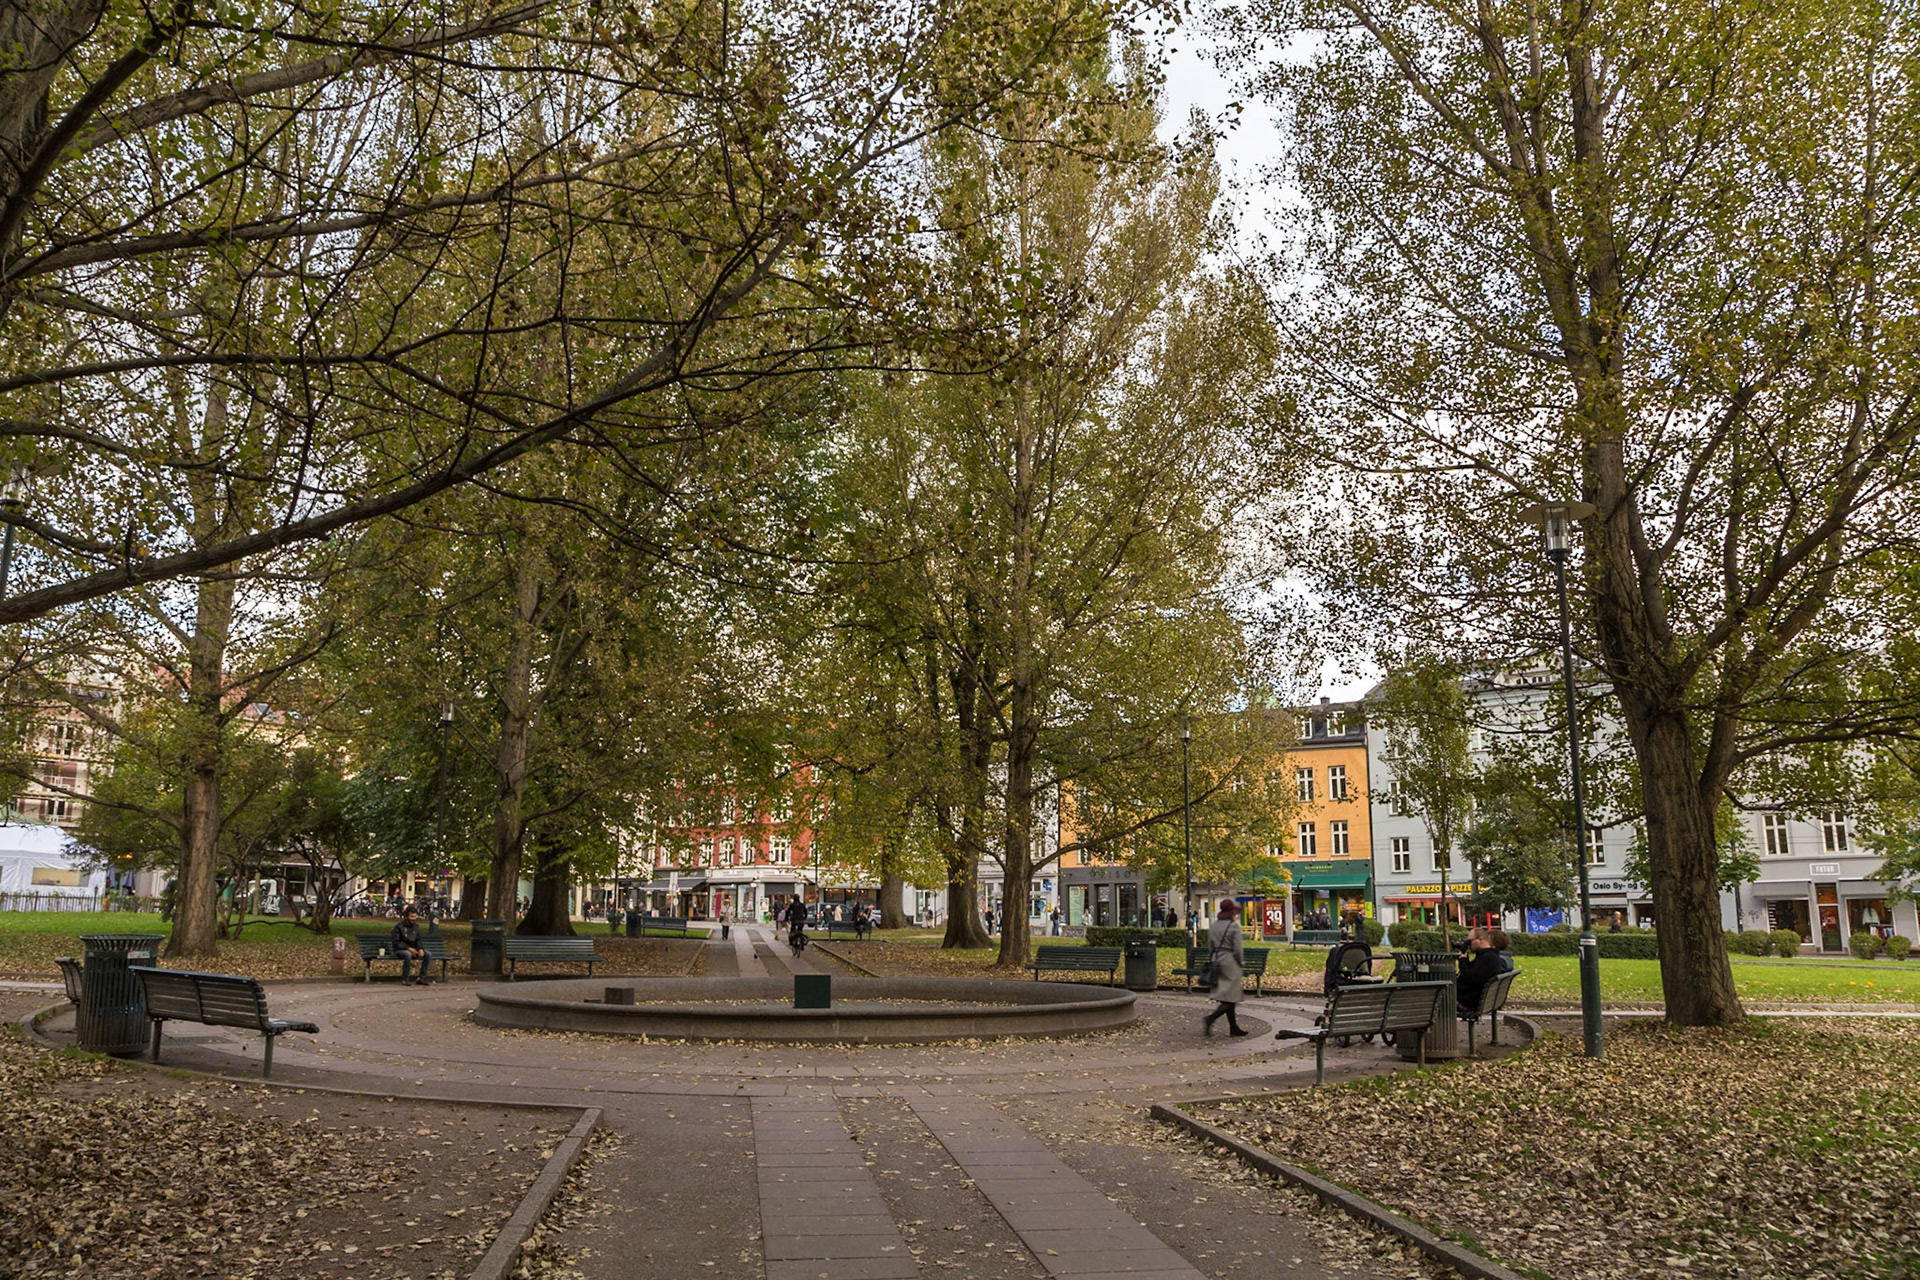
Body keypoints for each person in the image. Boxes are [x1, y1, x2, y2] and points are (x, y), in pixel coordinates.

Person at [1202, 901, 1248, 1037]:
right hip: (1230, 961)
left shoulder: (1214, 926)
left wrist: (1213, 958)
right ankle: (1210, 1018)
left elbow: (1210, 946)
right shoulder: (1233, 926)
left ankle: (1233, 1028)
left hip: (1216, 960)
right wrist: (1241, 962)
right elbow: (1237, 948)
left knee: (1228, 997)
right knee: (1231, 997)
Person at [1456, 927, 1504, 1013]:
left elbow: (1469, 978)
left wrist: (1463, 960)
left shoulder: (1488, 959)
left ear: (1480, 939)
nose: (1468, 945)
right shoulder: (1488, 956)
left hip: (1469, 1003)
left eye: (1470, 941)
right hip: (1474, 999)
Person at [391, 905, 432, 987]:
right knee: (407, 954)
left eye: (415, 916)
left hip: (414, 948)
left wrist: (420, 948)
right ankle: (405, 978)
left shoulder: (415, 927)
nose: (413, 918)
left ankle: (421, 977)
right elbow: (396, 942)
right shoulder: (398, 927)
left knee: (427, 954)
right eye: (411, 916)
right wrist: (408, 948)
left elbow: (418, 940)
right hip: (400, 949)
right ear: (406, 917)